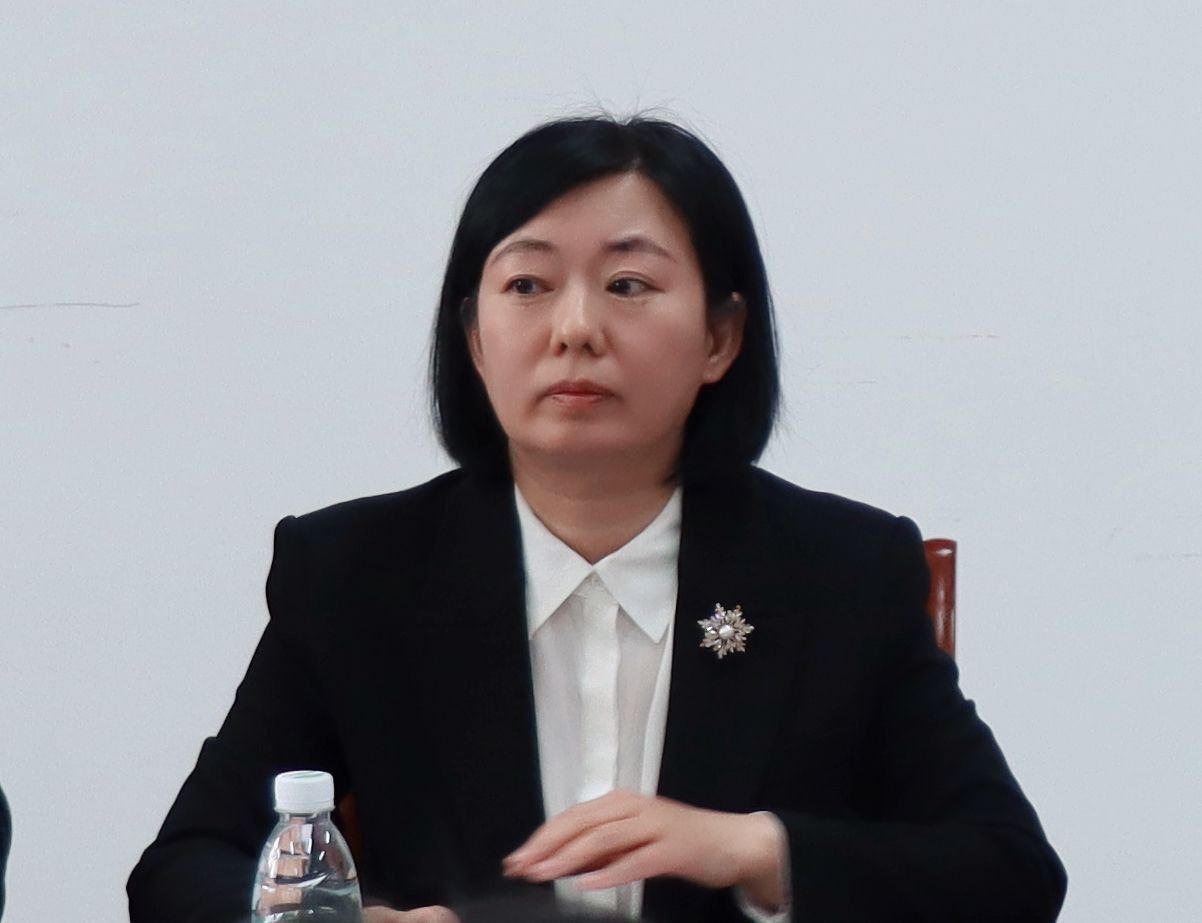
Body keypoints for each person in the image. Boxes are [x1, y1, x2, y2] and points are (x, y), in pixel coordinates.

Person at [127, 115, 1067, 923]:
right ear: (474, 338)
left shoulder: (841, 572)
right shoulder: (355, 573)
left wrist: (754, 849)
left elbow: (1010, 871)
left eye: (628, 285)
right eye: (527, 286)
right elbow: (182, 870)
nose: (574, 327)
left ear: (720, 337)